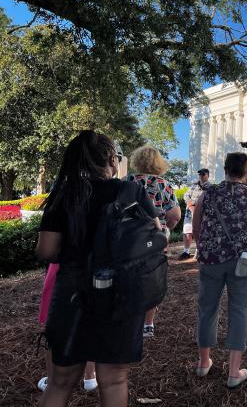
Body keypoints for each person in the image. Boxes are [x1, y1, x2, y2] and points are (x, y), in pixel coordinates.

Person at [36, 130, 158, 406]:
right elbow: (155, 239)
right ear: (112, 160)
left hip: (71, 296)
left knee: (60, 382)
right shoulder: (131, 192)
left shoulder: (65, 195)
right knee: (114, 380)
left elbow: (46, 251)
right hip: (121, 297)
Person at [192, 152, 247, 388]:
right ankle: (234, 371)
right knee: (240, 309)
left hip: (212, 257)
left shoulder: (210, 191)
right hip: (242, 259)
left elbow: (197, 217)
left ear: (225, 169)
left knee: (207, 307)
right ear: (245, 171)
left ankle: (204, 362)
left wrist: (201, 243)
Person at [127, 145, 181, 338]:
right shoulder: (164, 185)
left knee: (129, 277)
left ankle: (130, 319)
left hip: (129, 240)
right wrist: (167, 229)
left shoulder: (128, 182)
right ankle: (148, 324)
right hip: (155, 240)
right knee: (152, 278)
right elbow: (174, 215)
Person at [37, 263, 98, 393]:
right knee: (90, 323)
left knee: (52, 325)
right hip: (95, 266)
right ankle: (90, 377)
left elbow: (46, 251)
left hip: (62, 266)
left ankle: (52, 380)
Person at [179, 168, 211, 260]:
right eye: (200, 174)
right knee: (187, 232)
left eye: (203, 174)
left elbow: (209, 200)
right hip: (190, 212)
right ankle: (186, 251)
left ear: (208, 176)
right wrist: (190, 205)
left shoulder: (210, 187)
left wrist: (195, 205)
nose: (201, 176)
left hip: (203, 213)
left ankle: (199, 251)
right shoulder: (193, 186)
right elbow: (186, 196)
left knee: (200, 232)